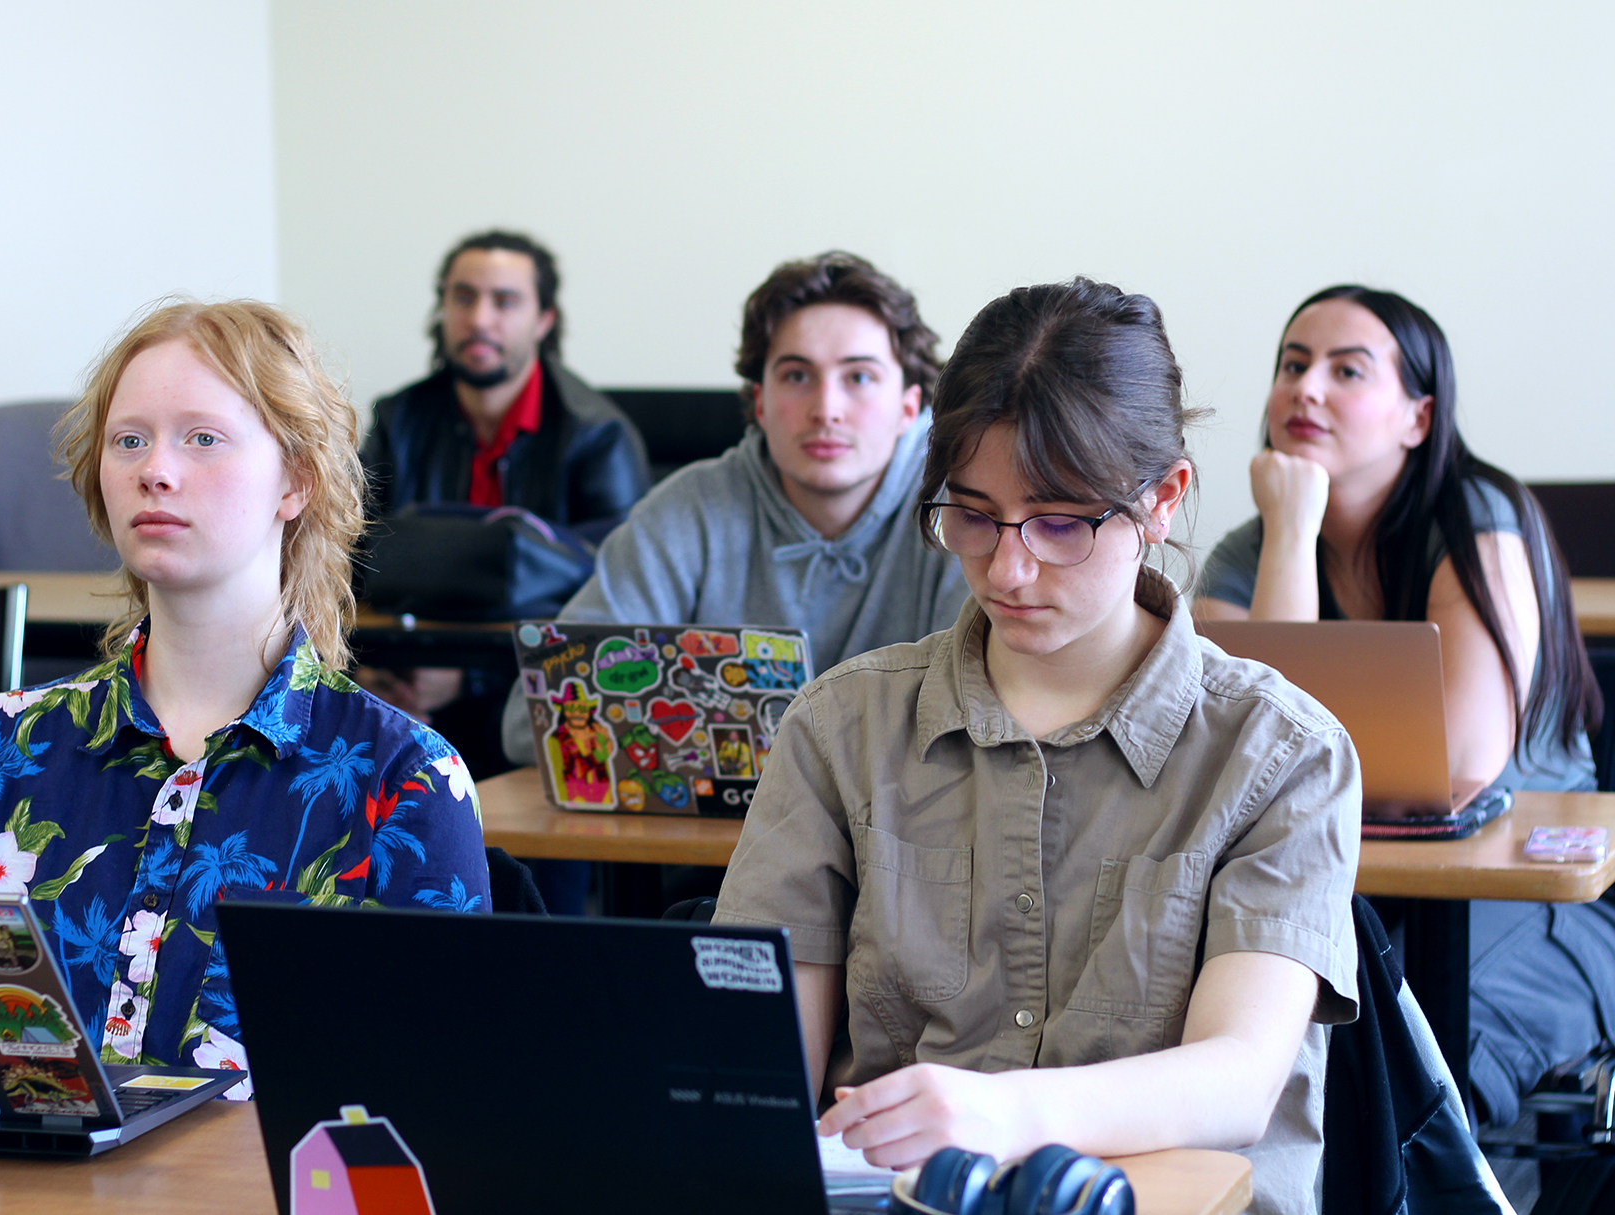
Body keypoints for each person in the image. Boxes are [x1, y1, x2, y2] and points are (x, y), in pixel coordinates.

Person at [714, 279, 1361, 1215]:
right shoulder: (839, 727)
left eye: (1061, 522)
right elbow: (757, 1080)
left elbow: (1241, 1077)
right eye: (972, 515)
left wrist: (1002, 1113)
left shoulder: (1278, 752)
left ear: (1164, 499)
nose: (1008, 568)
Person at [0, 299, 490, 1092]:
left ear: (297, 480)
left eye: (202, 438)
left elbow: (442, 1097)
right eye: (129, 439)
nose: (156, 469)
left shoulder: (407, 777)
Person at [1195, 285, 1605, 1127]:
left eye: (1348, 369)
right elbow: (1250, 764)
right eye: (1293, 365)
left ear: (1418, 417)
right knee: (1270, 1045)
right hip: (1349, 892)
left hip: (1529, 901)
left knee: (1398, 1069)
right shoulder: (1252, 550)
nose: (1306, 389)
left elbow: (1463, 763)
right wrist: (1293, 532)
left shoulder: (1477, 517)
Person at [500, 250, 968, 766]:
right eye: (796, 375)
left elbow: (974, 727)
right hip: (710, 841)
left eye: (858, 377)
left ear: (909, 406)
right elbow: (533, 722)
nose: (826, 409)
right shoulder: (687, 511)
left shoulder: (964, 513)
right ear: (760, 402)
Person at [359, 230, 650, 766]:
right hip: (398, 685)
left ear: (545, 320)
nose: (479, 319)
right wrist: (368, 668)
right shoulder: (398, 420)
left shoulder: (597, 436)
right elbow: (345, 558)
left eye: (505, 301)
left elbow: (620, 598)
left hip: (535, 698)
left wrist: (466, 676)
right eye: (463, 297)